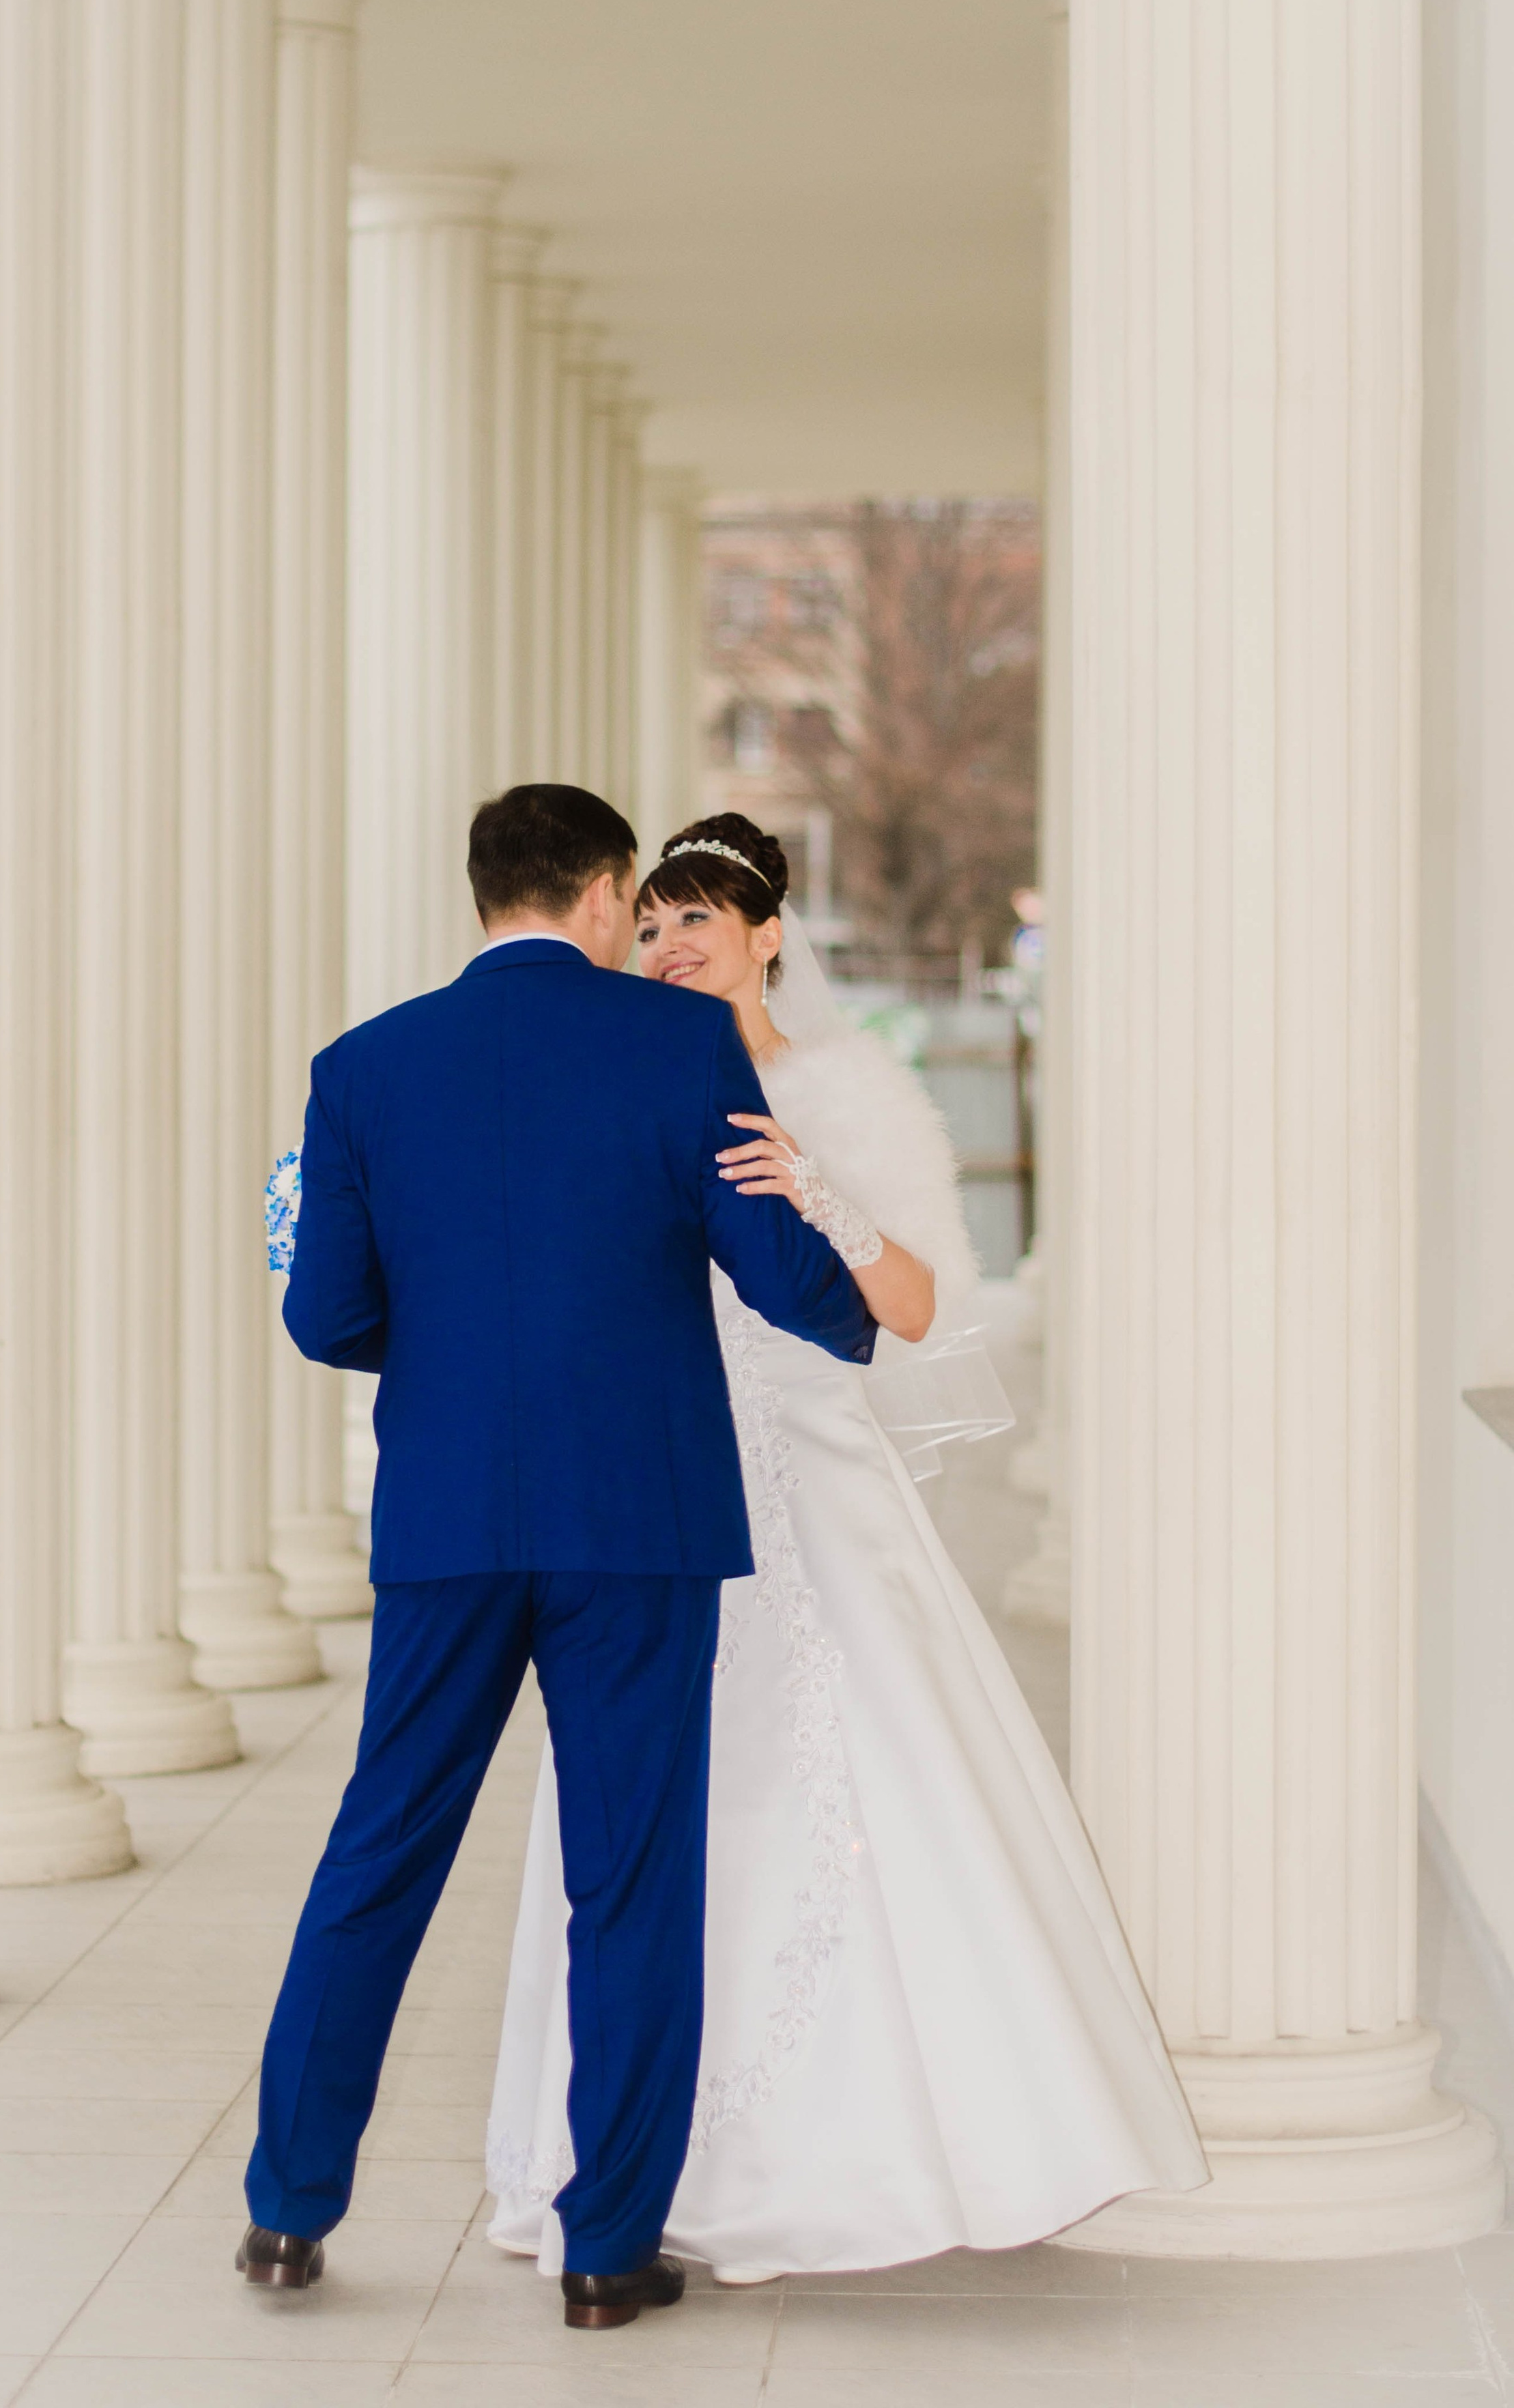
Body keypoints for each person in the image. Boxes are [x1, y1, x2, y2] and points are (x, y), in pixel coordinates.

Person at [487, 813, 1208, 2280]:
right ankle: (633, 2154)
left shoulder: (851, 1087)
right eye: (654, 921)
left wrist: (811, 1189)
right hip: (649, 1486)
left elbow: (924, 1306)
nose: (674, 942)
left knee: (840, 1779)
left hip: (809, 1474)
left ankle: (872, 2148)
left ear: (768, 936)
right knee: (648, 1817)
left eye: (703, 917)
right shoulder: (618, 1070)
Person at [240, 785, 876, 2332]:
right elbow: (771, 1261)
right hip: (636, 1515)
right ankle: (606, 2252)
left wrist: (459, 1355)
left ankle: (285, 2212)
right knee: (632, 1876)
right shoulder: (674, 1047)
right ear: (602, 892)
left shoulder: (363, 1068)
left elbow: (324, 1314)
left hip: (450, 1516)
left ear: (483, 898)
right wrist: (854, 1315)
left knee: (377, 1852)